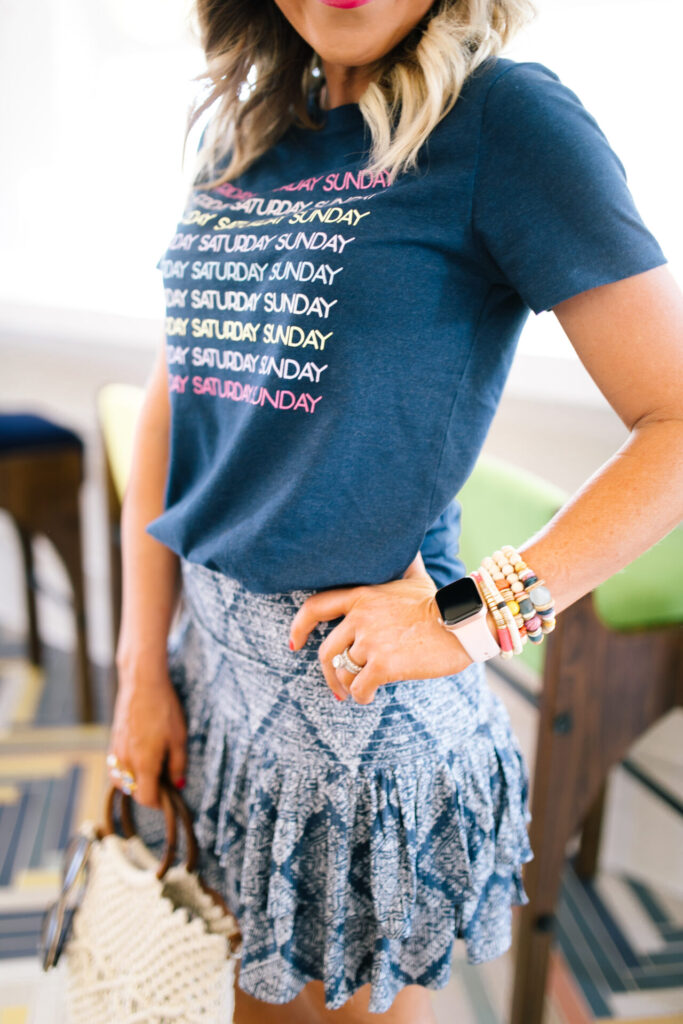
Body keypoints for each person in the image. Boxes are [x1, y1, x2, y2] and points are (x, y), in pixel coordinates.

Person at [107, 0, 683, 1021]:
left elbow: (673, 419)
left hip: (348, 724)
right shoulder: (236, 132)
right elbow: (173, 399)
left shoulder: (502, 120)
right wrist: (140, 666)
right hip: (212, 679)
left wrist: (472, 616)